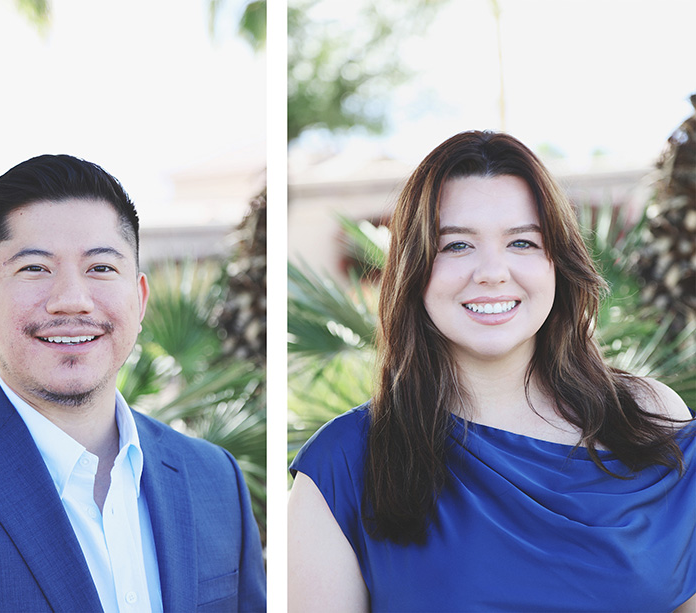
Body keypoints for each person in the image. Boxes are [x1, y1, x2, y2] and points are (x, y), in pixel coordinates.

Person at [288, 131, 696, 612]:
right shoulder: (343, 464)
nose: (492, 271)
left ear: (557, 264)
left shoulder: (651, 420)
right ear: (415, 268)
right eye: (457, 245)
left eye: (522, 242)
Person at [0, 154, 266, 612]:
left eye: (101, 268)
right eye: (35, 268)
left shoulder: (214, 477)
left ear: (140, 298)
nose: (71, 300)